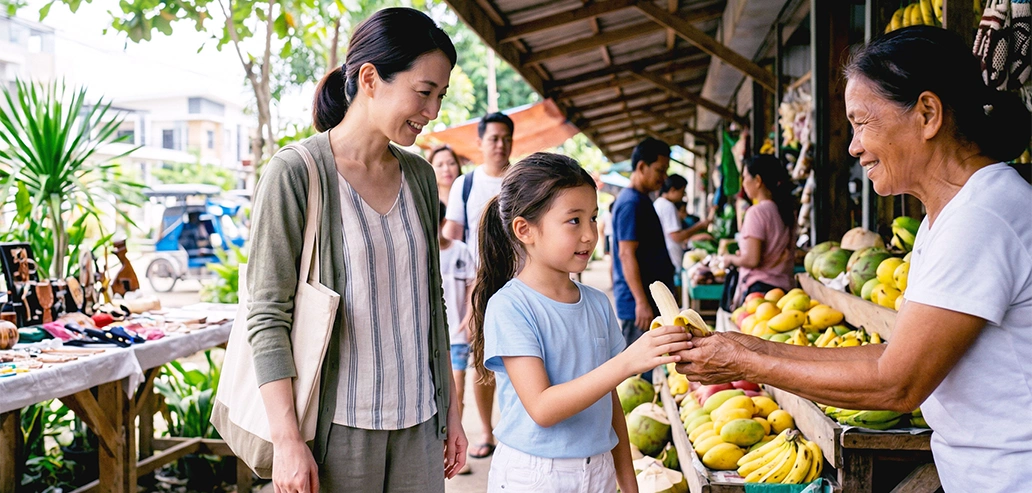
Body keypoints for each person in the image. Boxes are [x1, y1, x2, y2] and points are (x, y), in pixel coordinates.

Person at [674, 26, 1032, 493]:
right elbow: (892, 355)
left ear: (927, 114)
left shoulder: (984, 217)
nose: (852, 146)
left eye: (862, 123)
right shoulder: (944, 218)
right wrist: (747, 347)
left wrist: (745, 361)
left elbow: (897, 383)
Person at [246, 8, 467, 493]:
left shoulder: (421, 177)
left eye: (440, 96)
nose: (433, 112)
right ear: (371, 78)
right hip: (337, 431)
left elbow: (432, 300)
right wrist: (287, 442)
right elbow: (266, 315)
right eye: (424, 92)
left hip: (420, 425)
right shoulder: (296, 173)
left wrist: (452, 410)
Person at [468, 152, 691, 493]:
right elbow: (542, 408)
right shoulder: (510, 307)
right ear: (525, 229)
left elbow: (609, 402)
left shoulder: (598, 303)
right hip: (535, 475)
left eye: (593, 218)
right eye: (574, 220)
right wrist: (627, 361)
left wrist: (628, 484)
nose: (589, 234)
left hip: (598, 468)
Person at [442, 111, 515, 459]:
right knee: (483, 362)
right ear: (481, 142)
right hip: (481, 287)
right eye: (493, 138)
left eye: (505, 138)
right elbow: (452, 236)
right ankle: (486, 433)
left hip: (523, 284)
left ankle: (519, 428)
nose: (500, 144)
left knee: (524, 359)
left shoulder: (523, 181)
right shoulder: (465, 184)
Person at [611, 138, 676, 381]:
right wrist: (641, 301)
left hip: (648, 301)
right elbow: (625, 254)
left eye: (665, 171)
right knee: (637, 376)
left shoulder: (640, 200)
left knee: (649, 367)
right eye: (659, 170)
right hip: (640, 306)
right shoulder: (630, 204)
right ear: (641, 167)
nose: (663, 177)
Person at [720, 154, 797, 305]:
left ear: (758, 181)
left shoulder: (756, 212)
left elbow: (752, 260)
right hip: (785, 290)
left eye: (745, 177)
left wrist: (730, 259)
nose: (743, 184)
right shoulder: (786, 211)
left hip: (761, 292)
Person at [438, 201, 476, 475]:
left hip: (458, 333)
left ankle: (454, 447)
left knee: (458, 389)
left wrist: (469, 318)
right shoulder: (420, 252)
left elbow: (473, 285)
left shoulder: (460, 251)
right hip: (433, 337)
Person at [653, 174, 711, 287]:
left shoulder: (659, 203)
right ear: (673, 190)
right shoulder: (668, 206)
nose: (683, 195)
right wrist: (699, 226)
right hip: (671, 257)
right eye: (682, 191)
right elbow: (677, 236)